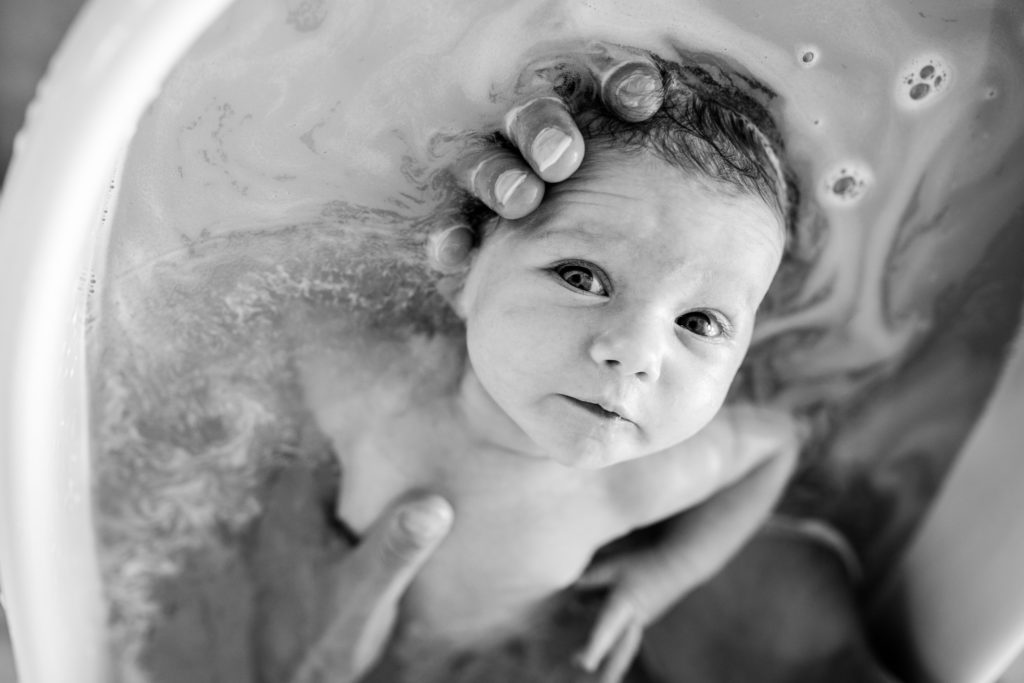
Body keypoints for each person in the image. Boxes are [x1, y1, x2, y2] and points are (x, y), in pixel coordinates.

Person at [294, 52, 804, 683]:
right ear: (461, 274)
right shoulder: (370, 392)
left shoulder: (630, 484)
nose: (635, 353)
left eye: (699, 323)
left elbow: (776, 445)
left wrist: (660, 580)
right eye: (581, 278)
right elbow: (291, 290)